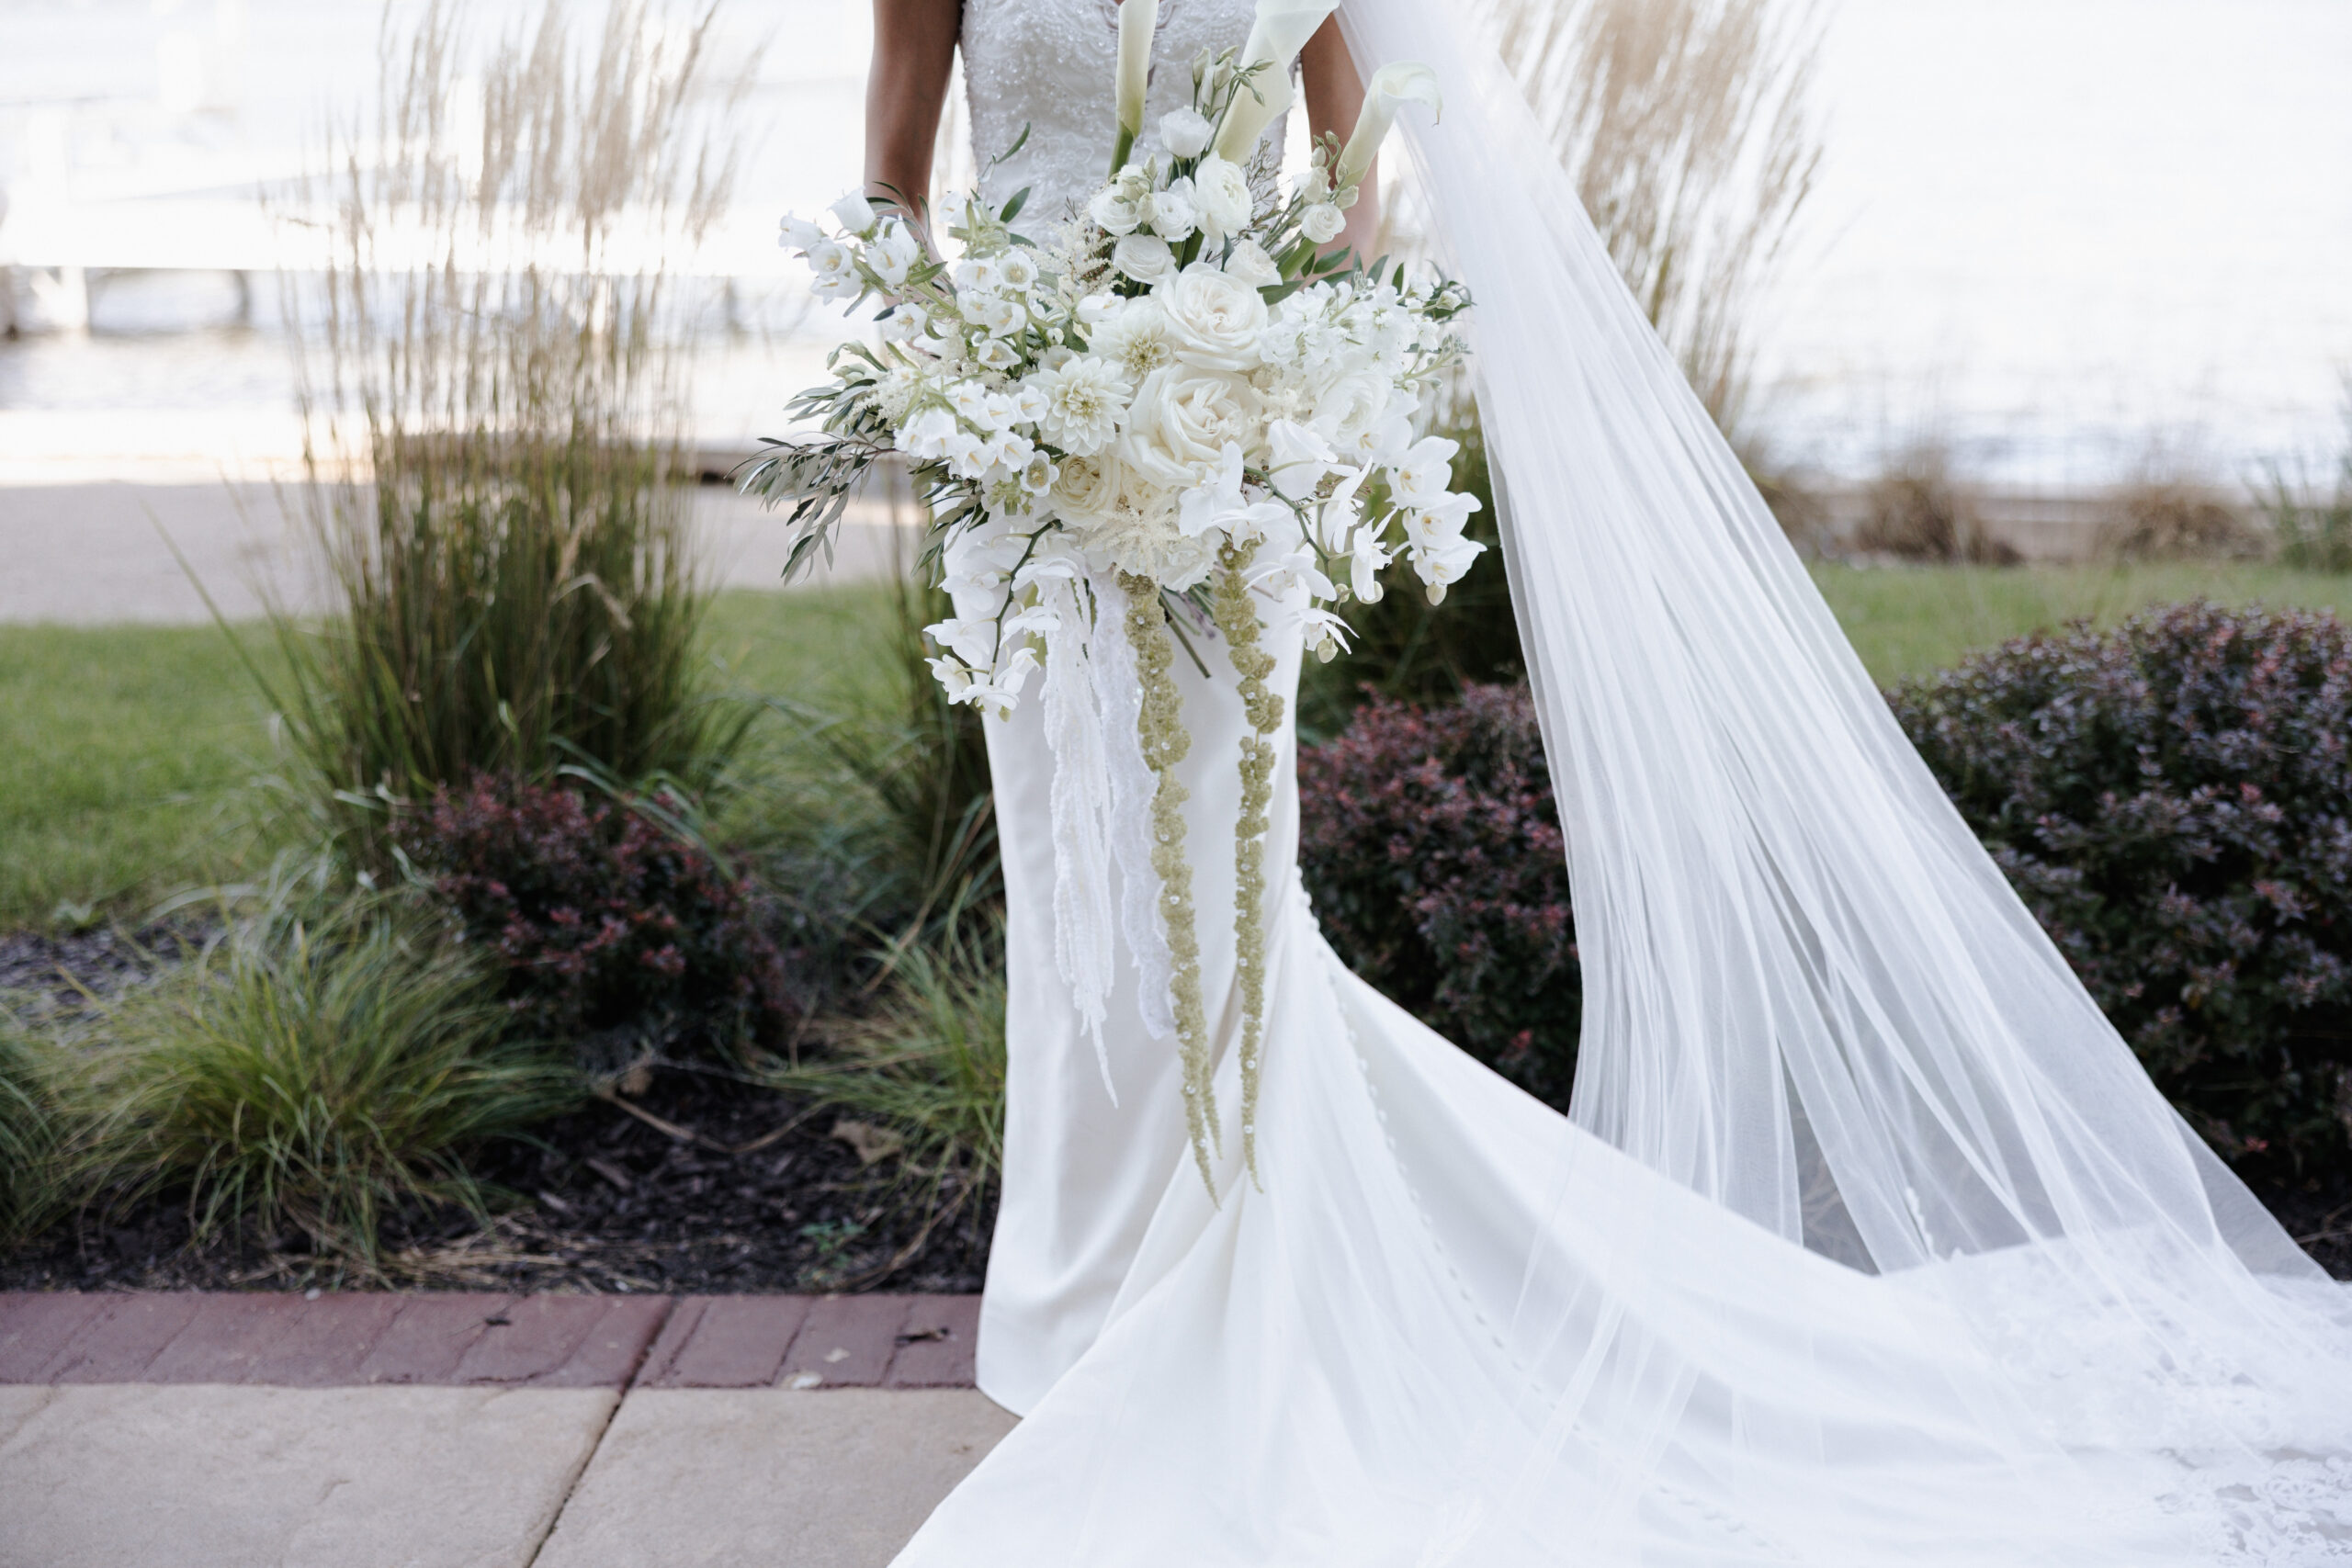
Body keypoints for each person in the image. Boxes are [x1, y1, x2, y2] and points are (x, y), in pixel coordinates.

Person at [854, 0, 2352, 1561]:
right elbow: (894, 183)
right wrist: (958, 379)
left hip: (1234, 455)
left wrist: (1291, 356)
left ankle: (1227, 1288)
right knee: (1073, 872)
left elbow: (1347, 172)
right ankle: (1083, 1303)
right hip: (1019, 471)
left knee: (1225, 882)